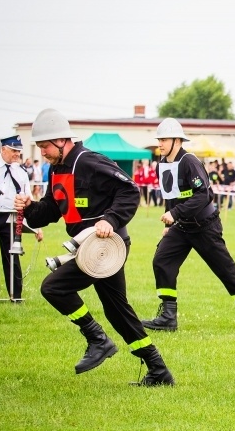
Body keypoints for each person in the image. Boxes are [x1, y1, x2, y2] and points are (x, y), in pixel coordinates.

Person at [15, 109, 174, 386]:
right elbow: (52, 209)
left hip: (106, 245)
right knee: (117, 310)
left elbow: (129, 190)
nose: (42, 153)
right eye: (39, 148)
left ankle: (97, 338)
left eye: (45, 147)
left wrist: (110, 220)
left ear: (62, 140)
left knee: (53, 287)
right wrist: (30, 209)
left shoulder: (89, 161)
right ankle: (158, 371)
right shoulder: (57, 169)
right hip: (88, 247)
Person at [141, 118, 235, 332]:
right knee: (162, 260)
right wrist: (171, 221)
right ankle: (168, 317)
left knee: (224, 269)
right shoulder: (163, 164)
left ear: (177, 140)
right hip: (182, 227)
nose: (160, 143)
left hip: (205, 226)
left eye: (164, 139)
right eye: (159, 139)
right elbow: (171, 195)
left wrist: (174, 213)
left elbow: (203, 195)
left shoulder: (190, 161)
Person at [0, 136, 32, 301]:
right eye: (14, 150)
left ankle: (16, 296)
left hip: (11, 217)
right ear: (3, 149)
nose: (17, 154)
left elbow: (27, 197)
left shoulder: (21, 171)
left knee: (12, 258)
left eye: (19, 151)